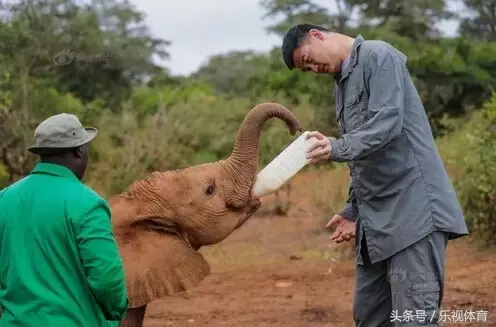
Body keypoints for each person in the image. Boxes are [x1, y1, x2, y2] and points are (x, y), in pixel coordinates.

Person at [281, 24, 469, 326]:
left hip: (414, 213)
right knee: (370, 316)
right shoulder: (340, 86)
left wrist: (336, 146)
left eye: (308, 60)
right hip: (377, 224)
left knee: (414, 319)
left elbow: (387, 125)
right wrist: (353, 210)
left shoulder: (377, 55)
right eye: (307, 69)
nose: (313, 68)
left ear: (317, 35)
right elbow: (365, 156)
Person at [0, 113, 129, 326]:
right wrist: (117, 310)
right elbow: (106, 278)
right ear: (79, 151)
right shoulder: (88, 204)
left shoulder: (4, 199)